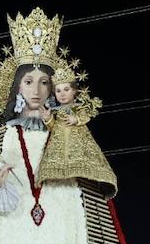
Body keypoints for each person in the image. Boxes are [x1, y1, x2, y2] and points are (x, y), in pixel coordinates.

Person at [35, 64, 117, 196]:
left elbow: (86, 116)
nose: (62, 94)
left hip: (78, 140)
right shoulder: (56, 111)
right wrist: (48, 119)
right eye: (58, 91)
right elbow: (53, 128)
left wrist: (76, 119)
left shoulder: (78, 107)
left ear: (74, 91)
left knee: (80, 173)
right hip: (58, 144)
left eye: (66, 89)